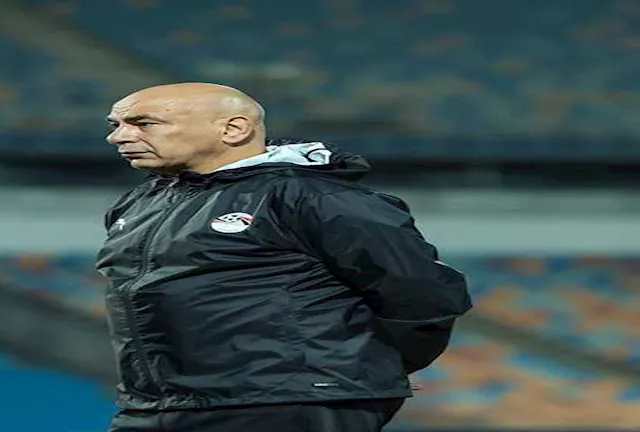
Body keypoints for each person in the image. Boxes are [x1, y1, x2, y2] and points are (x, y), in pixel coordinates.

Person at [96, 82, 472, 432]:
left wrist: (348, 367)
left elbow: (422, 293)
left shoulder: (316, 197)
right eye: (117, 125)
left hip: (287, 402)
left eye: (144, 123)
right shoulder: (140, 202)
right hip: (157, 405)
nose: (119, 136)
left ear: (233, 129)